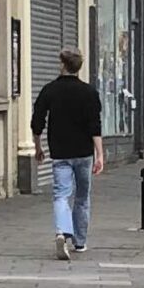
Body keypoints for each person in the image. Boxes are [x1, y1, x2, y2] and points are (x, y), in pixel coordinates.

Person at [30, 48, 105, 259]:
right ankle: (80, 242)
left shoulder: (50, 90)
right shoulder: (89, 92)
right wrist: (99, 154)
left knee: (61, 195)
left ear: (63, 65)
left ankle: (62, 231)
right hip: (83, 153)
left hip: (60, 152)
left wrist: (38, 146)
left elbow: (37, 121)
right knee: (82, 197)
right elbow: (95, 126)